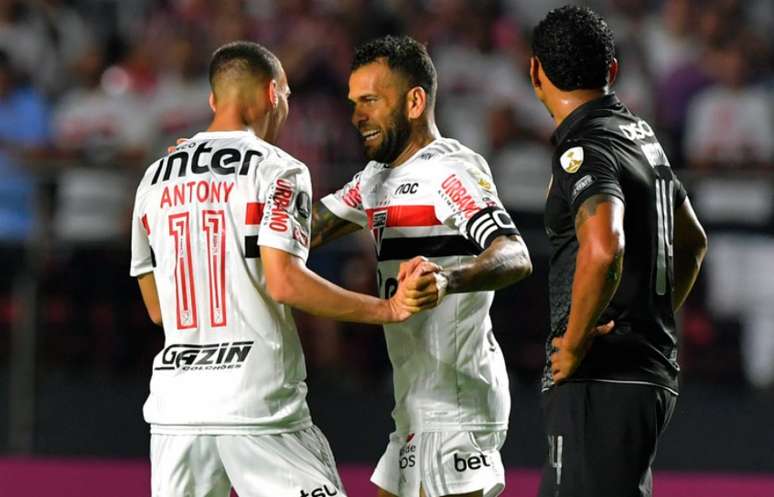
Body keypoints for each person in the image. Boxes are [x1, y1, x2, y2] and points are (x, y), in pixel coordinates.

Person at [130, 41, 434, 497]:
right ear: (273, 93)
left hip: (177, 408)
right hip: (258, 404)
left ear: (215, 100)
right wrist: (386, 309)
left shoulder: (153, 177)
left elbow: (158, 310)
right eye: (288, 96)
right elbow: (284, 280)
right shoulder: (279, 169)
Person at [311, 35, 533, 497]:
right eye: (354, 102)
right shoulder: (375, 179)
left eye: (370, 100)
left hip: (456, 405)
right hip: (414, 406)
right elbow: (301, 231)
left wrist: (450, 279)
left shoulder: (449, 170)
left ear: (414, 101)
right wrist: (227, 175)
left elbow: (514, 252)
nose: (357, 116)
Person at [528, 6, 708, 497]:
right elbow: (692, 242)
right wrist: (650, 315)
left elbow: (604, 248)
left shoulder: (584, 148)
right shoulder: (643, 138)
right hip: (645, 372)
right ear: (612, 71)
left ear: (535, 72)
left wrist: (576, 341)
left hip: (600, 374)